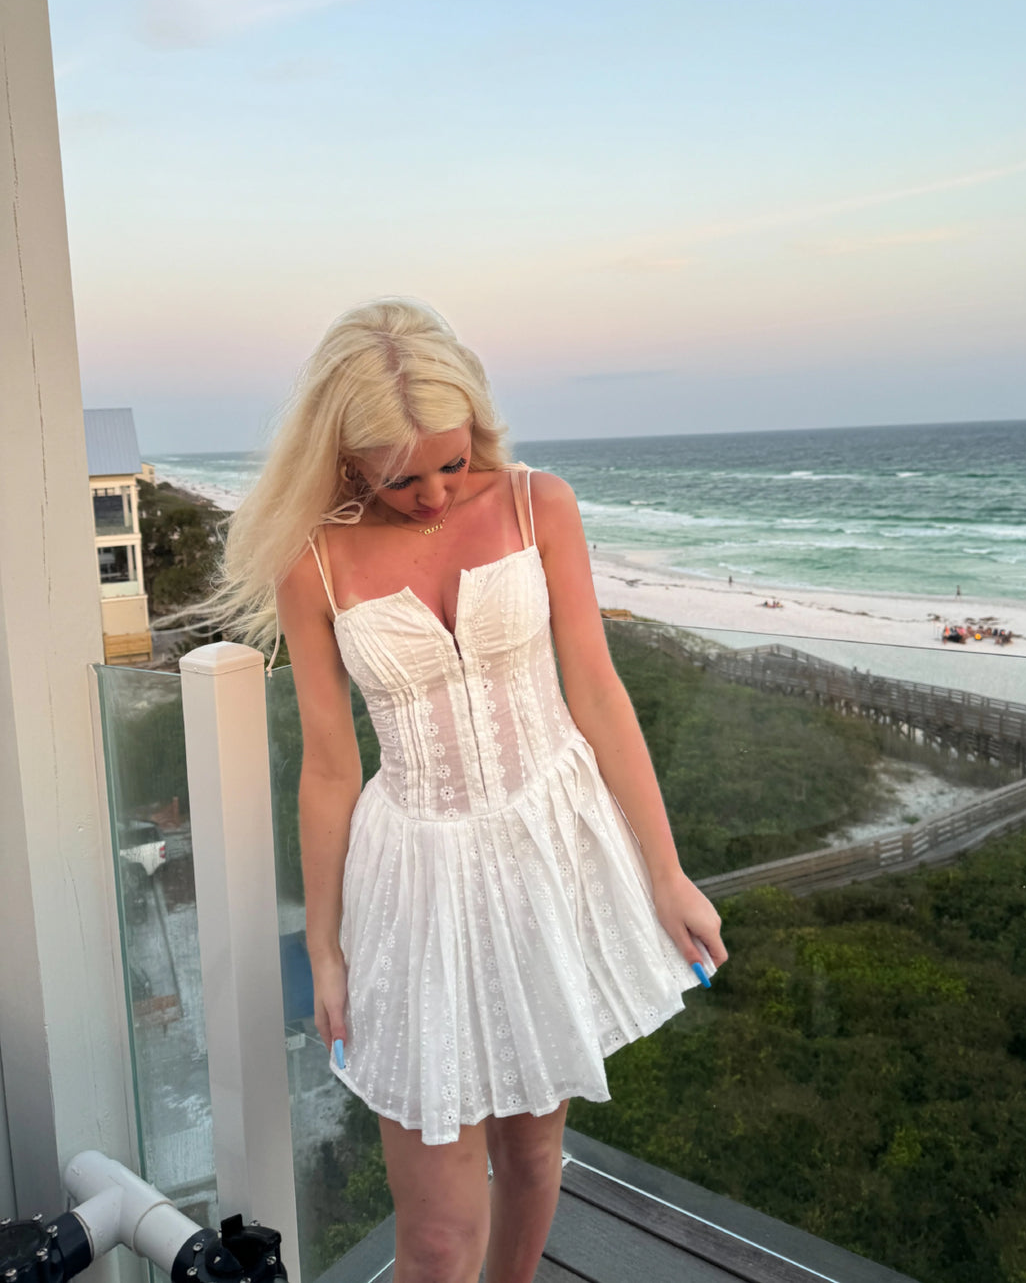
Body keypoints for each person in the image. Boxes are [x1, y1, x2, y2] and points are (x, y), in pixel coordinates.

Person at [213, 299, 726, 1283]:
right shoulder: (311, 556)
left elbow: (599, 694)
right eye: (403, 475)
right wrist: (324, 946)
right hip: (415, 877)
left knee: (533, 1156)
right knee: (438, 1234)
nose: (438, 492)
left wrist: (664, 874)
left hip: (550, 851)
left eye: (453, 461)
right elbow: (330, 763)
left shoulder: (541, 504)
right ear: (348, 456)